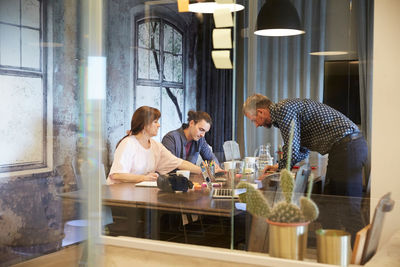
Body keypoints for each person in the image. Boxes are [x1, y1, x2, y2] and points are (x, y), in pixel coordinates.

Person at [243, 94, 368, 198]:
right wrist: (277, 167)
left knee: (344, 206)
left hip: (348, 147)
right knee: (332, 203)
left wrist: (274, 174)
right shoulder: (284, 111)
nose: (256, 125)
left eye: (254, 120)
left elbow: (292, 148)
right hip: (347, 147)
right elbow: (302, 150)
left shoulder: (283, 109)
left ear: (261, 112)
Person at [107, 106, 201, 185]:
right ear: (144, 125)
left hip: (139, 194)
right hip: (120, 196)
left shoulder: (156, 146)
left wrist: (203, 171)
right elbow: (116, 174)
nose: (158, 125)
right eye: (155, 122)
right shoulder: (128, 143)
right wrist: (144, 178)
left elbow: (179, 163)